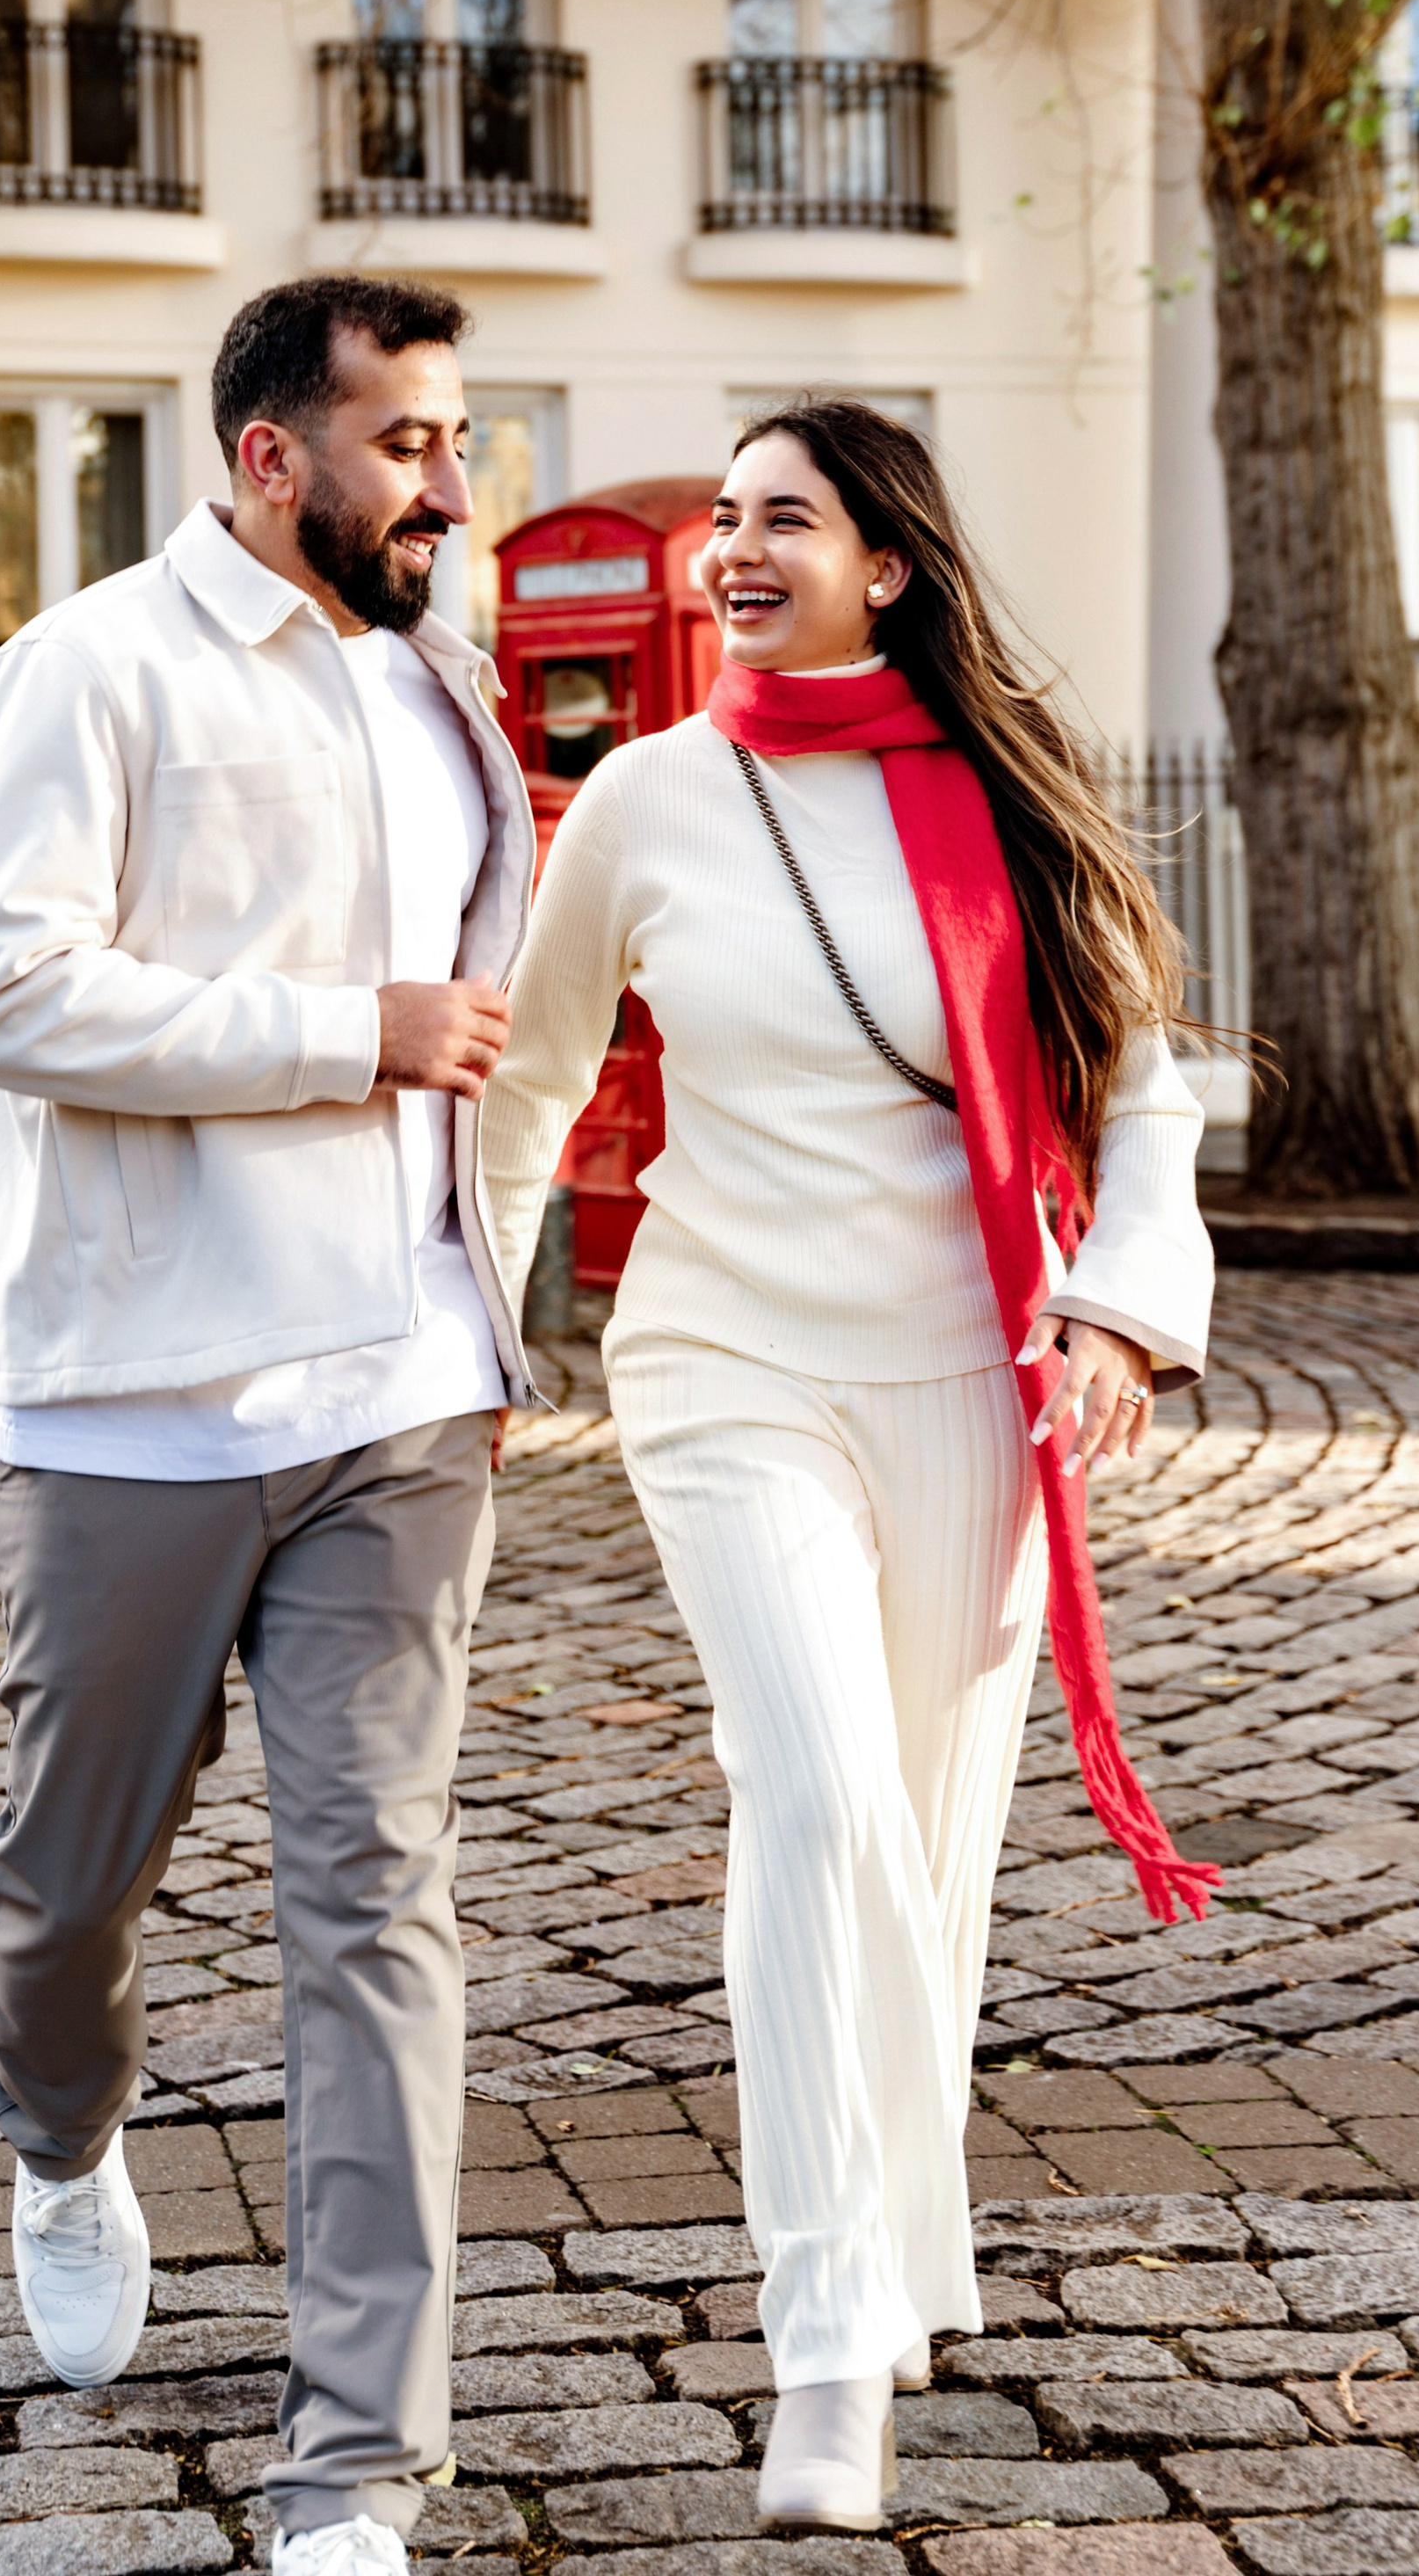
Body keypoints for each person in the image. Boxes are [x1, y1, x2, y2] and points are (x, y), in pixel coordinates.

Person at [480, 397, 1218, 2535]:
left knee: (931, 1833)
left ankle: (912, 2230)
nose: (728, 547)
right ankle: (824, 2336)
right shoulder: (642, 795)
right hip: (719, 1360)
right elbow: (530, 1084)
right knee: (809, 1795)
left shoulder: (1010, 798)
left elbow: (1137, 1093)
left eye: (777, 518)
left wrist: (1112, 1309)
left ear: (882, 563)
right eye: (717, 516)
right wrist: (468, 1328)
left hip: (966, 1373)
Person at [0, 275, 535, 2576]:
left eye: (462, 439)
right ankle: (59, 2135)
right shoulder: (89, 671)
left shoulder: (444, 700)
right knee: (70, 1891)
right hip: (135, 1403)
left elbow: (503, 1040)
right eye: (411, 443)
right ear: (273, 457)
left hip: (397, 1403)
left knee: (379, 1904)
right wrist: (335, 1029)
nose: (453, 489)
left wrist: (490, 1320)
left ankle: (359, 2465)